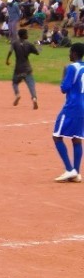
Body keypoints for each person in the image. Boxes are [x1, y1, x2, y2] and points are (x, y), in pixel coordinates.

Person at [52, 43, 84, 182]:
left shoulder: (72, 67)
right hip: (83, 106)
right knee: (77, 139)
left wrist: (64, 75)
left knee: (57, 136)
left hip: (72, 106)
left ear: (75, 53)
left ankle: (69, 169)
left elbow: (64, 88)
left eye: (70, 52)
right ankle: (76, 172)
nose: (69, 55)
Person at [6, 29, 39, 110]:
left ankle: (17, 94)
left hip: (18, 68)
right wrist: (38, 46)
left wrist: (7, 60)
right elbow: (37, 52)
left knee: (15, 83)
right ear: (24, 35)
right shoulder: (29, 44)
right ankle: (34, 98)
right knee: (31, 85)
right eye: (26, 34)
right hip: (27, 68)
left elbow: (10, 51)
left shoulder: (15, 43)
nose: (27, 35)